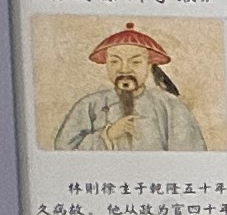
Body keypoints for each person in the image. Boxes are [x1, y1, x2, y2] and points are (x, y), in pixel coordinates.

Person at [48, 26, 208, 150]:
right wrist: (107, 135)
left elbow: (190, 153)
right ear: (106, 64)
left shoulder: (169, 105)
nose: (124, 69)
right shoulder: (90, 104)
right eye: (114, 61)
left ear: (149, 65)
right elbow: (64, 148)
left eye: (135, 62)